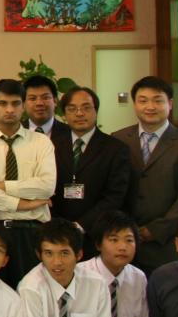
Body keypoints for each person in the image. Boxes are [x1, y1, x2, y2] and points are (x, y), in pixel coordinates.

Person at [0, 78, 56, 286]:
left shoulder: (41, 142)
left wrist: (4, 186)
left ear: (23, 105)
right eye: (3, 103)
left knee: (34, 293)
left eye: (15, 103)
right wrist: (23, 204)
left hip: (34, 231)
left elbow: (46, 186)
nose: (9, 110)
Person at [113, 76, 178, 271]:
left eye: (158, 100)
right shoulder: (118, 139)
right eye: (143, 100)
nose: (150, 107)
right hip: (122, 241)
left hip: (164, 243)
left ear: (170, 104)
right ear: (135, 104)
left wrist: (155, 230)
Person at [54, 87, 132, 233]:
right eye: (72, 109)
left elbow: (114, 197)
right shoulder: (52, 145)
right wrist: (59, 226)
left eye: (86, 108)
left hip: (96, 230)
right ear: (64, 114)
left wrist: (81, 225)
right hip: (58, 230)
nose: (79, 113)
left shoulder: (115, 149)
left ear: (96, 111)